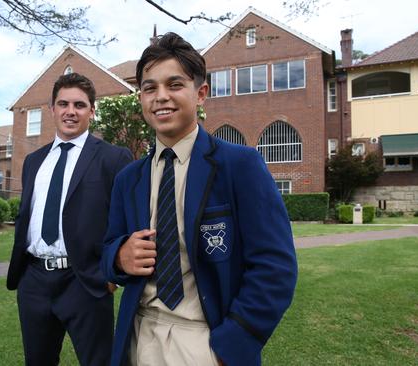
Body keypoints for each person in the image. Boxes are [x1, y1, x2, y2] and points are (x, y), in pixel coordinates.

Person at [101, 32, 298, 366]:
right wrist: (120, 257)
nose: (160, 97)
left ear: (201, 93)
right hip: (139, 337)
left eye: (174, 84)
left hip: (204, 340)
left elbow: (275, 268)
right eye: (149, 88)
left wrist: (230, 347)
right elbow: (107, 251)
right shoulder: (128, 179)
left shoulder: (240, 165)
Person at [6, 72, 133, 366]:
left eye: (79, 105)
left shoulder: (113, 158)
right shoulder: (34, 161)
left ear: (92, 110)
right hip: (34, 280)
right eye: (63, 104)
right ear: (52, 109)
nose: (70, 111)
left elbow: (128, 220)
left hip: (84, 281)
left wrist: (111, 273)